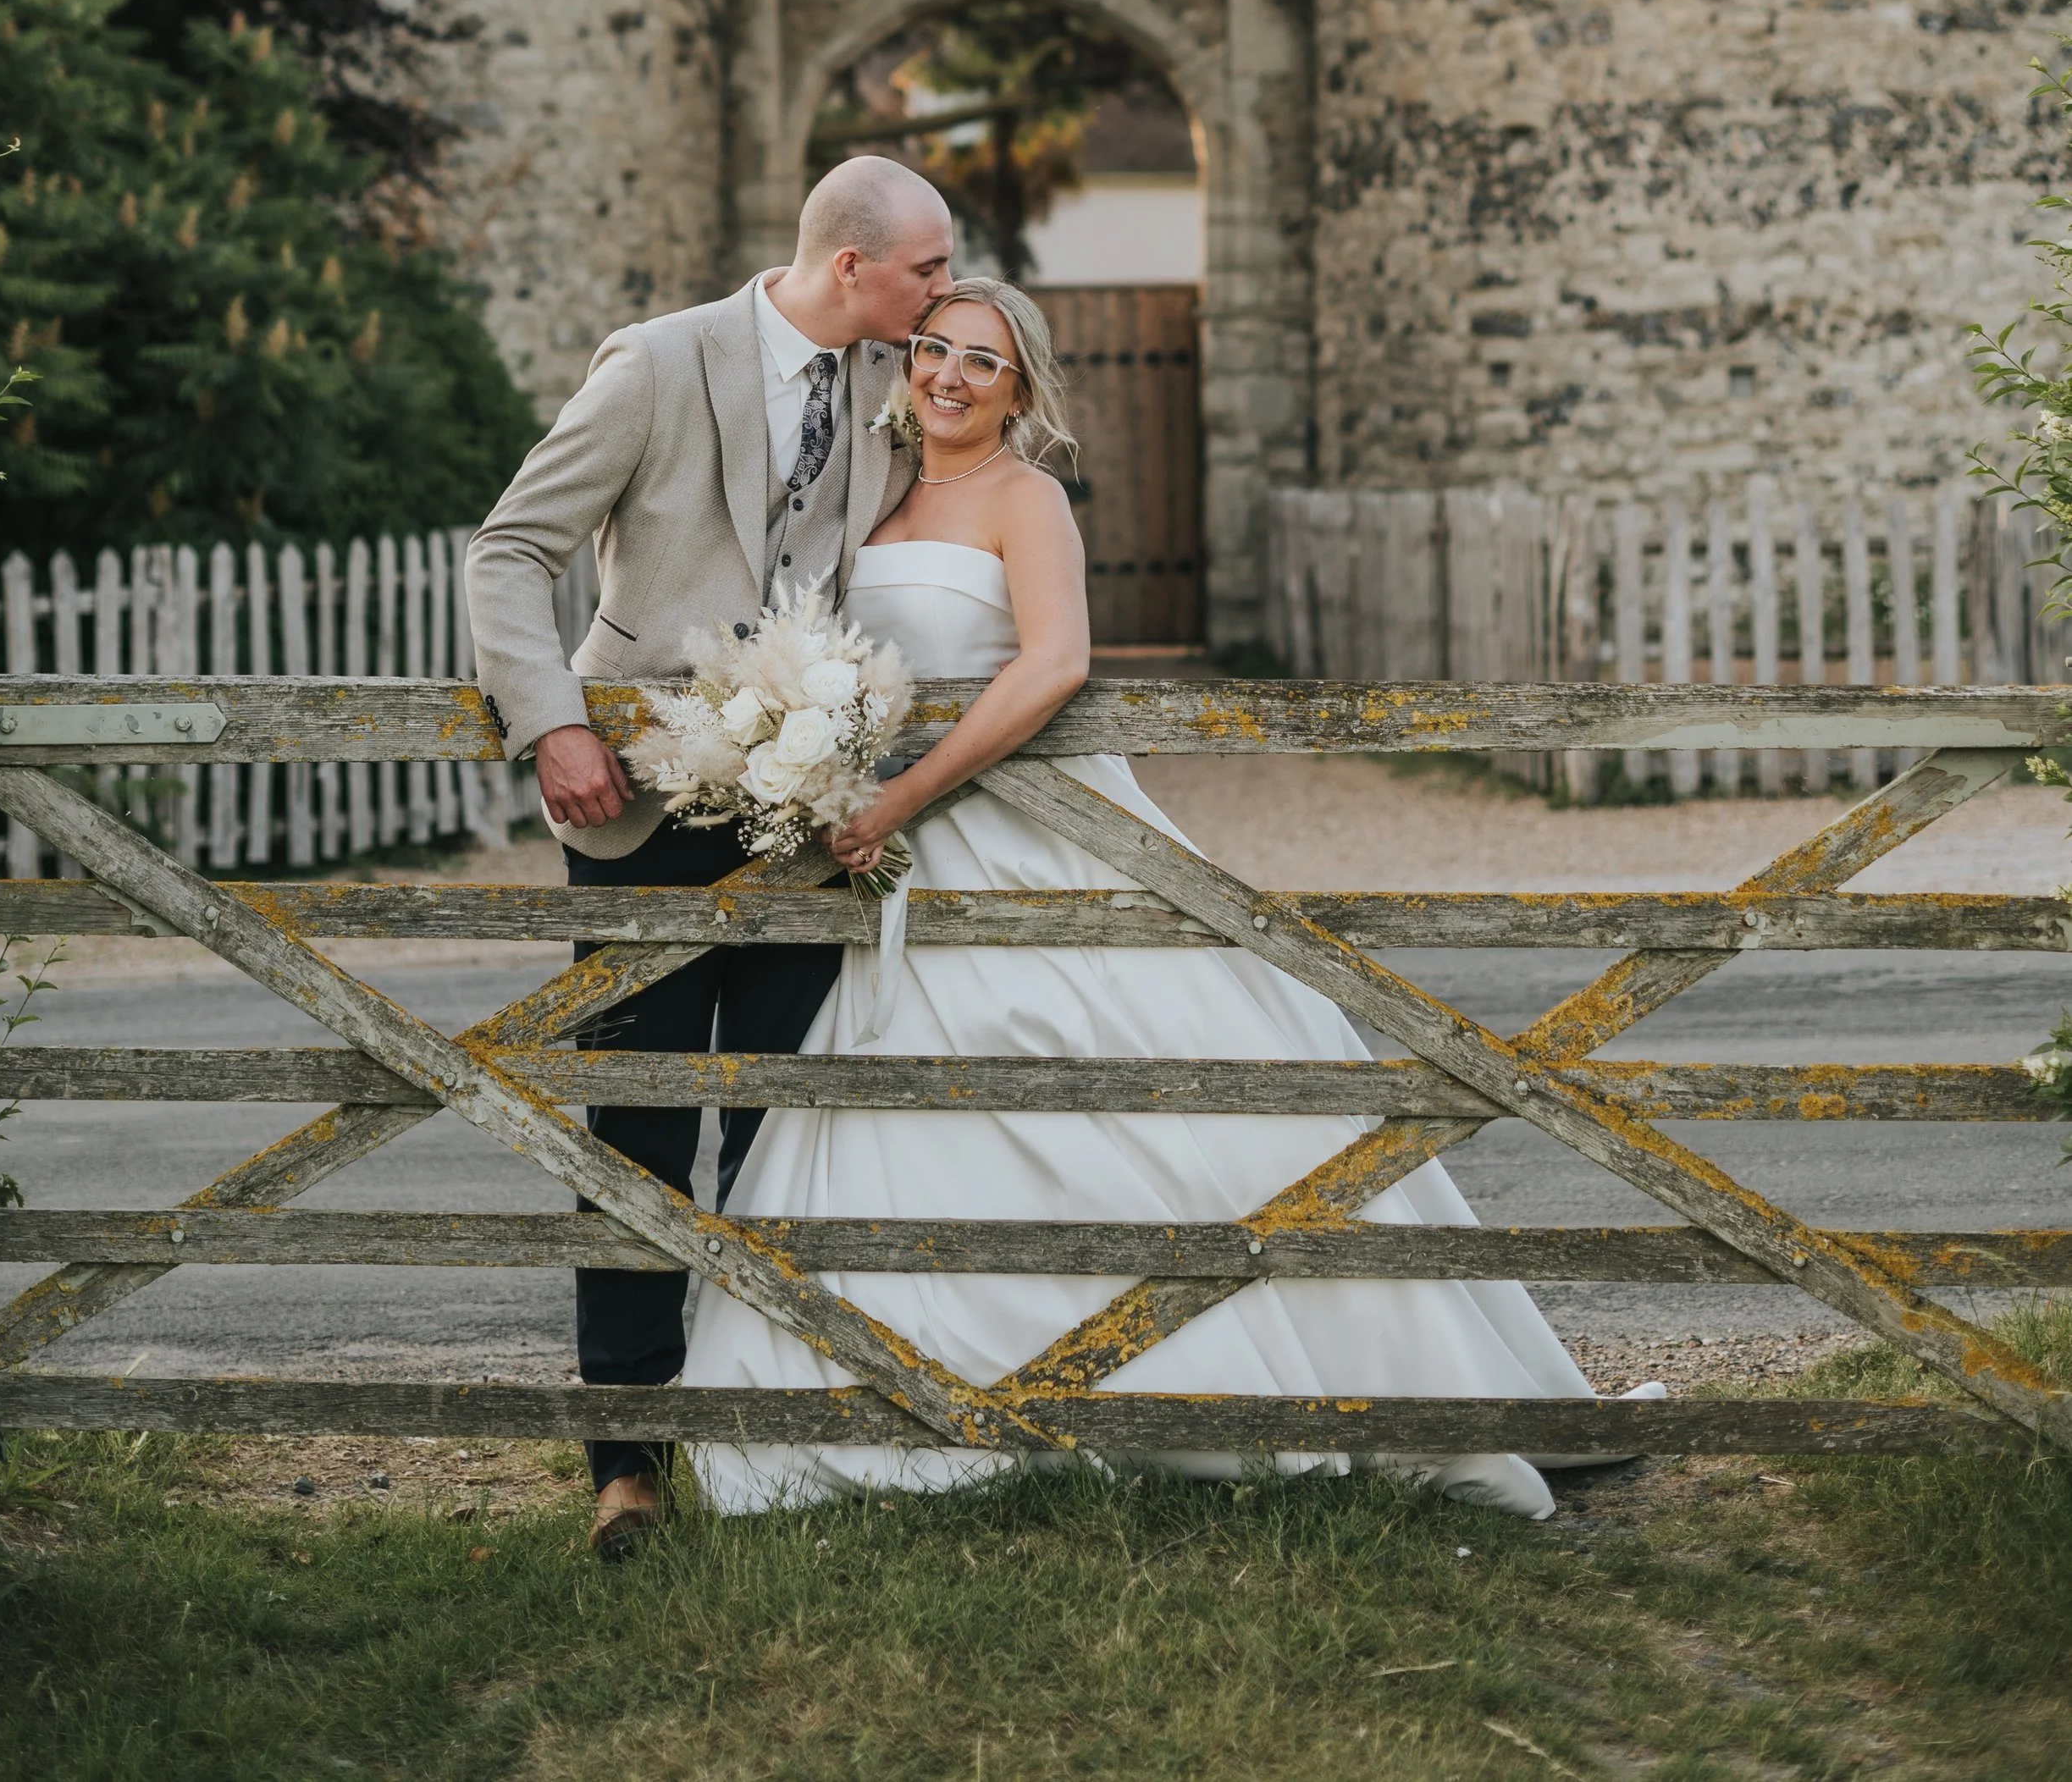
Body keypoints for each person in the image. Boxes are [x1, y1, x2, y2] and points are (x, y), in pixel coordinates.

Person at [681, 279, 1601, 1518]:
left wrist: (905, 799)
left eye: (983, 364)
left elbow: (1055, 665)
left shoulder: (1027, 498)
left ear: (1022, 387)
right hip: (884, 859)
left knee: (1114, 1081)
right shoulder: (868, 491)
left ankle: (1191, 1393)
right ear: (905, 360)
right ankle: (934, 1393)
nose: (951, 377)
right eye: (936, 350)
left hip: (1017, 833)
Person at [463, 157, 954, 1559]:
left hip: (810, 824)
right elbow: (509, 552)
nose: (940, 292)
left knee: (789, 1124)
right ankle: (626, 1461)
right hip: (634, 814)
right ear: (851, 263)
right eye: (925, 267)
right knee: (636, 1130)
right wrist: (552, 723)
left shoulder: (892, 387)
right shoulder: (661, 364)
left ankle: (764, 1428)